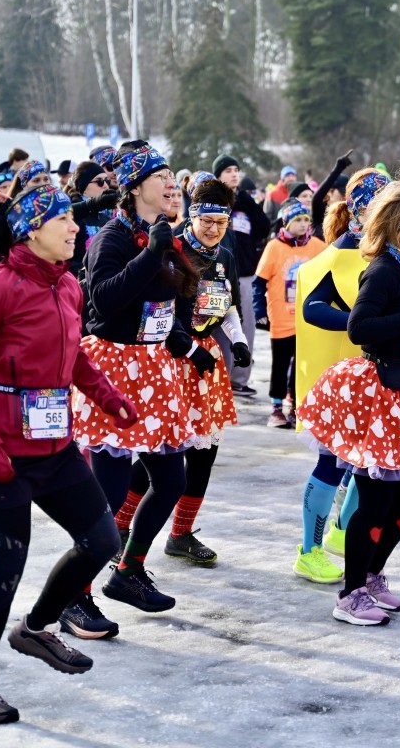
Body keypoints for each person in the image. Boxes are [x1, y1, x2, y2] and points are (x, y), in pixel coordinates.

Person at [0, 183, 136, 723]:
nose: (75, 228)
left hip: (55, 446)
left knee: (102, 540)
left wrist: (108, 398)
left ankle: (36, 628)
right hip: (1, 449)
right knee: (6, 567)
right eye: (63, 220)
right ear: (32, 228)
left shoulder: (68, 285)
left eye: (73, 219)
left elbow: (73, 358)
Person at [296, 168, 400, 625]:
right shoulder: (384, 270)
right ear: (398, 226)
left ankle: (372, 573)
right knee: (375, 498)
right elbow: (360, 328)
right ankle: (350, 594)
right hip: (379, 394)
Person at [76, 142, 202, 617]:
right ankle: (77, 592)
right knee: (106, 494)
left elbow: (168, 302)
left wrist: (183, 340)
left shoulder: (164, 232)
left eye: (172, 175)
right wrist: (152, 253)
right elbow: (102, 303)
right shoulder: (111, 237)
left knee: (171, 480)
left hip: (154, 368)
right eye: (160, 175)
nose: (171, 183)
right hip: (115, 367)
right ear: (134, 187)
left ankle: (128, 570)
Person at [292, 167, 389, 583]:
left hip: (372, 376)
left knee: (364, 463)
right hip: (338, 380)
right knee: (331, 464)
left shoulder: (381, 254)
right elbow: (312, 308)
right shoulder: (338, 256)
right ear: (362, 211)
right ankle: (308, 551)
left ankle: (339, 533)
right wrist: (357, 322)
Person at [150, 177, 247, 564]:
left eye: (220, 224)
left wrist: (236, 339)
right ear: (192, 217)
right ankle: (122, 528)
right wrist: (188, 347)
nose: (212, 229)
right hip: (171, 358)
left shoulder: (224, 255)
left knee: (204, 454)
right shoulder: (171, 250)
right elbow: (157, 312)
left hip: (206, 362)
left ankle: (181, 533)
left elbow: (227, 306)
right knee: (159, 454)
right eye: (206, 221)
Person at [253, 198, 326, 427]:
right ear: (286, 222)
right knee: (280, 364)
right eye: (298, 220)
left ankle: (296, 407)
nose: (304, 224)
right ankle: (276, 408)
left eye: (306, 220)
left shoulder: (316, 246)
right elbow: (258, 283)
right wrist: (259, 311)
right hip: (281, 318)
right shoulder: (274, 247)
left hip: (307, 320)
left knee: (301, 365)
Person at [212, 154, 270, 397]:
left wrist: (244, 198)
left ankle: (238, 379)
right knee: (219, 329)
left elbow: (264, 227)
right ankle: (220, 378)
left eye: (236, 169)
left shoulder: (245, 201)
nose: (234, 174)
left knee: (246, 327)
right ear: (218, 176)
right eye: (228, 170)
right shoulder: (213, 200)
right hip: (219, 275)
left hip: (245, 273)